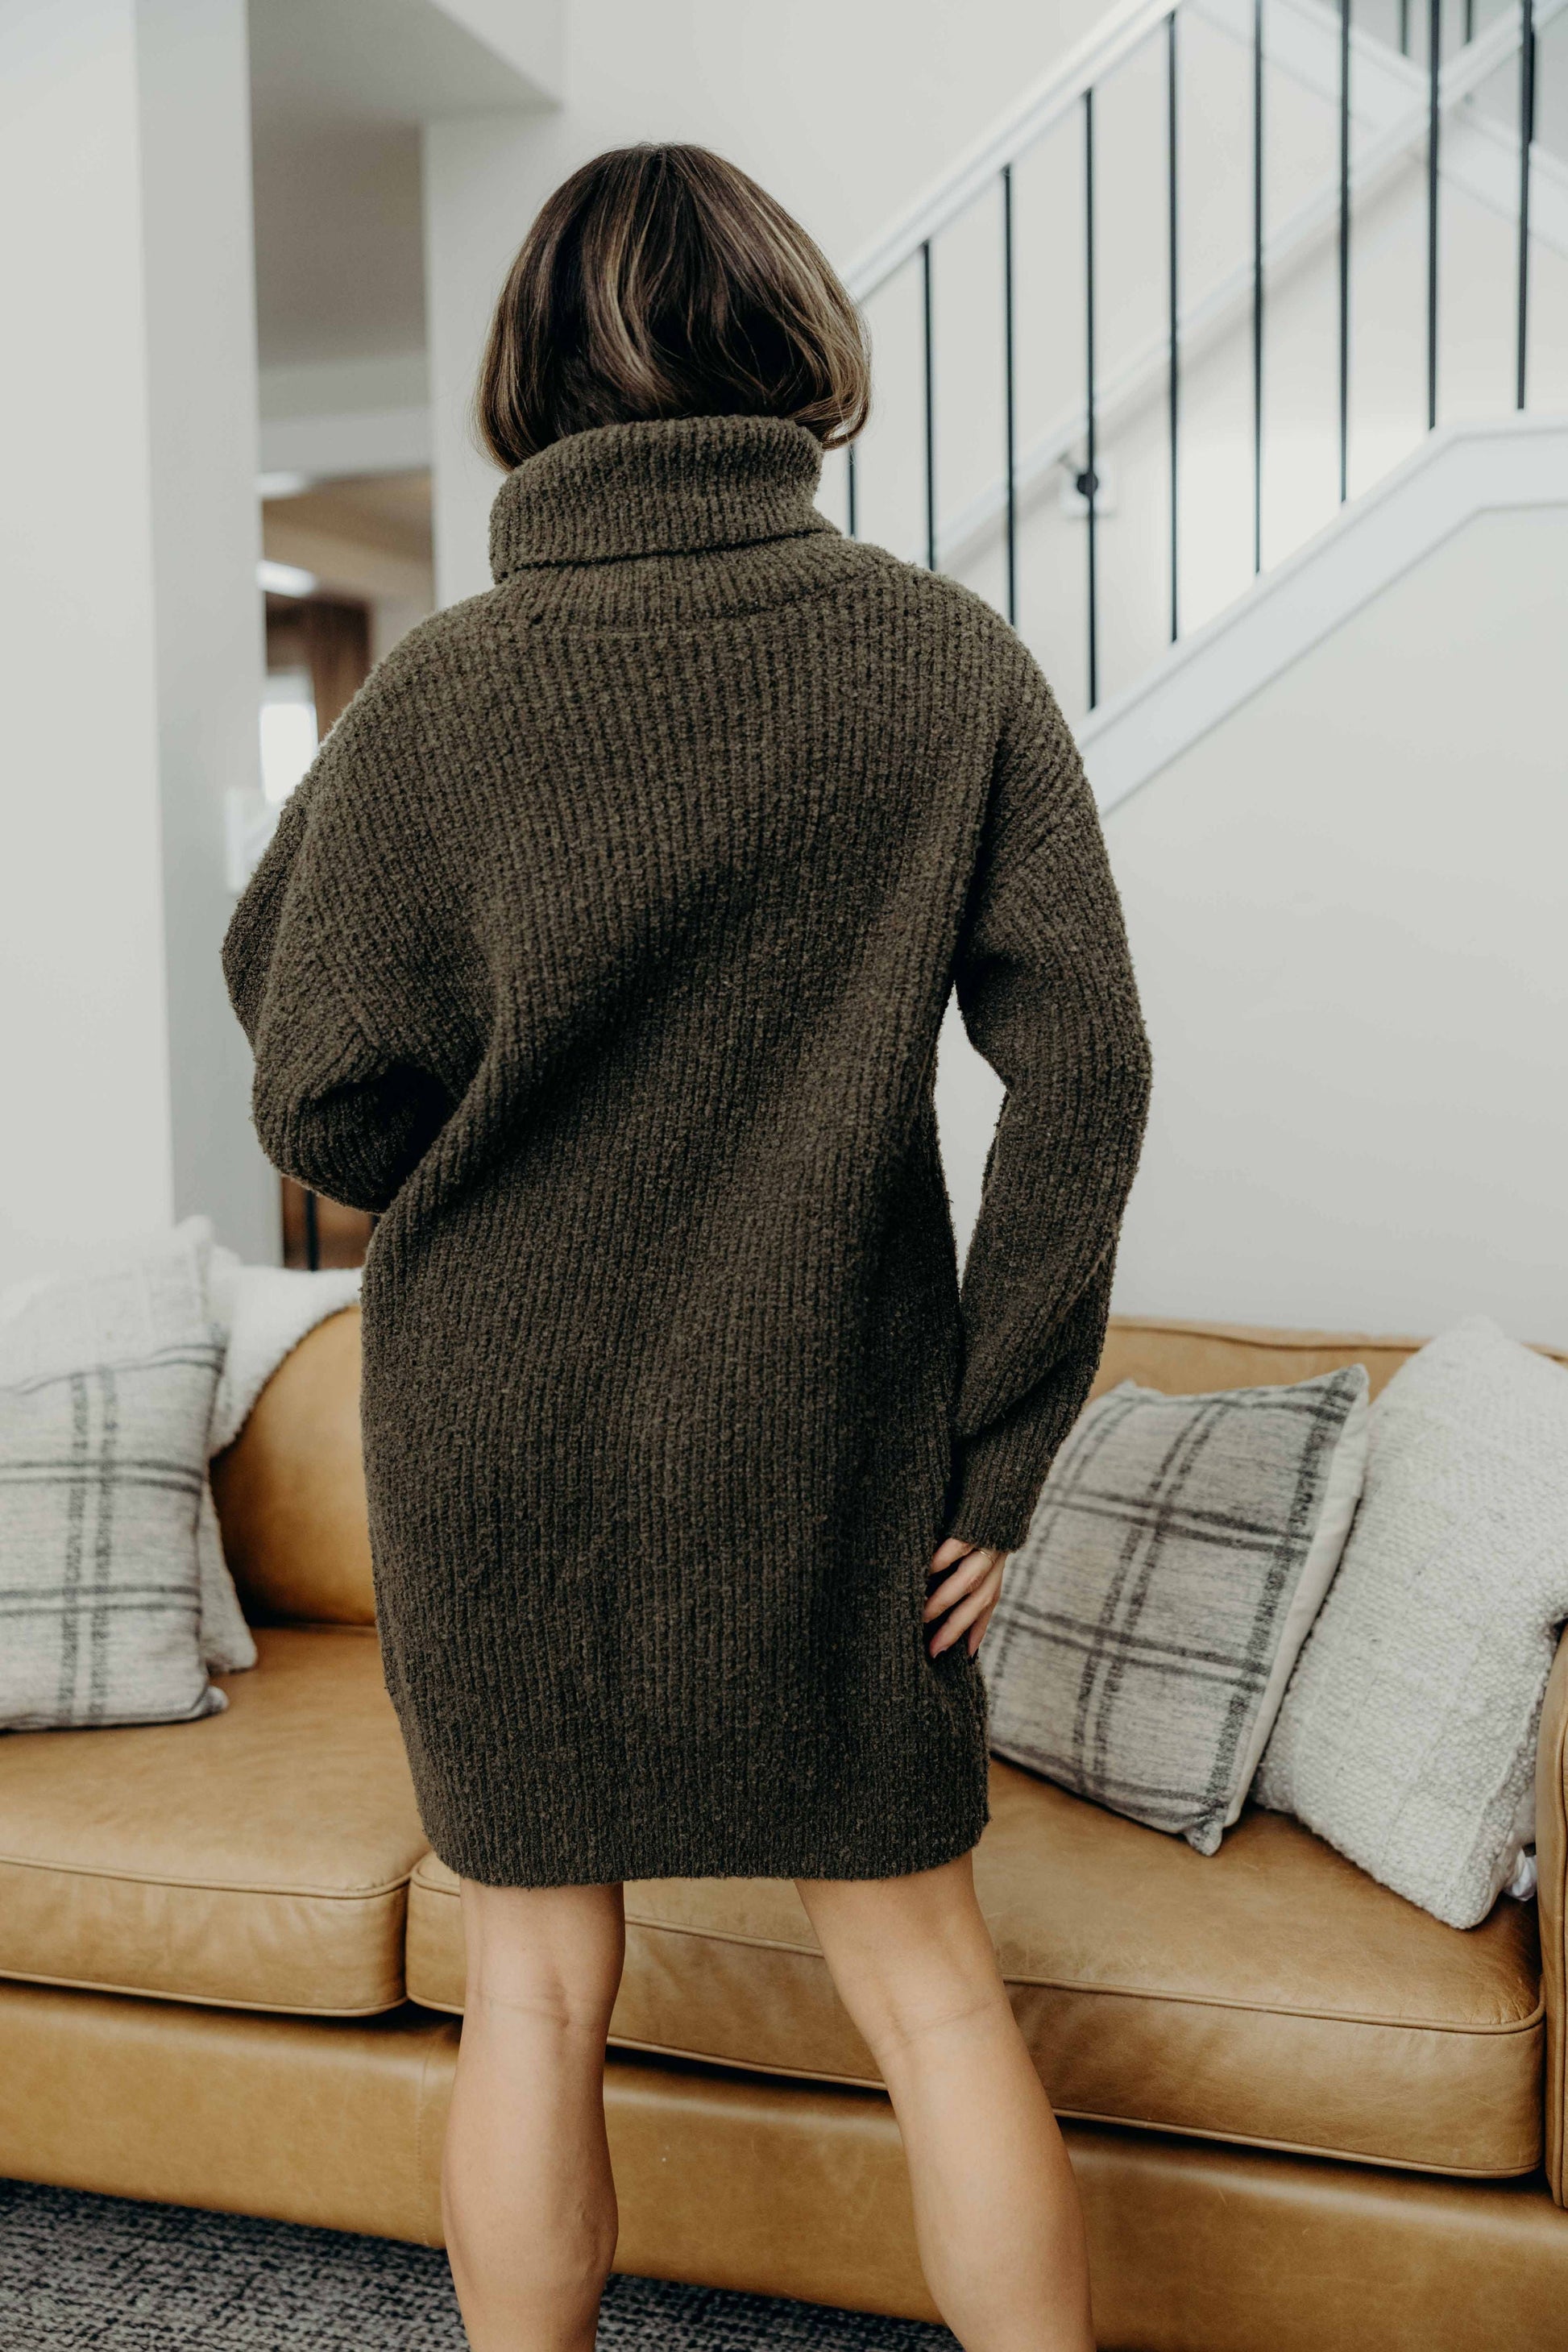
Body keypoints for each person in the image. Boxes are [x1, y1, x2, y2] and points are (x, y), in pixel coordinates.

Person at [223, 142, 1151, 2352]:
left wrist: (486, 1126)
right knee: (930, 1990)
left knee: (534, 1988)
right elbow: (1088, 1065)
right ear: (790, 347)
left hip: (492, 1444)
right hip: (833, 1445)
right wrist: (994, 1451)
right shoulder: (941, 661)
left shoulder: (439, 693)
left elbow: (314, 1084)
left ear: (532, 374)